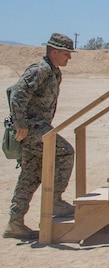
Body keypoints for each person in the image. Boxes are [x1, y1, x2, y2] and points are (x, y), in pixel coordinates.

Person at [4, 33, 76, 241]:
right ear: (53, 52)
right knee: (65, 153)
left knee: (31, 175)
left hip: (40, 127)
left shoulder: (54, 72)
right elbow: (16, 94)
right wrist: (20, 124)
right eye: (65, 54)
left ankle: (15, 223)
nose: (68, 58)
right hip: (33, 129)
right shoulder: (41, 70)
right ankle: (55, 200)